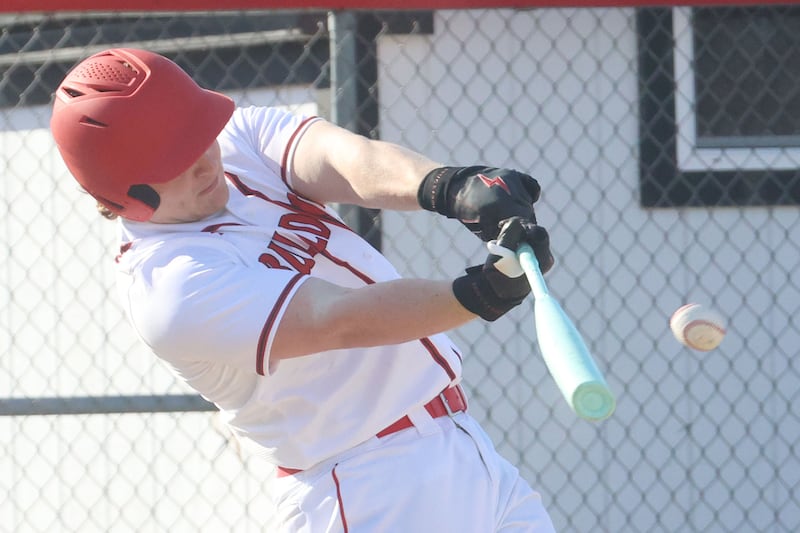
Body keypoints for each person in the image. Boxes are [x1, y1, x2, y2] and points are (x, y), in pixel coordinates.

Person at [50, 48, 557, 532]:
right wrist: (480, 291)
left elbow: (346, 160)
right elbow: (339, 319)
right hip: (369, 484)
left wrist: (452, 186)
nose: (206, 162)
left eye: (198, 136)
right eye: (175, 162)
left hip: (462, 448)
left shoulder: (236, 144)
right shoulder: (170, 285)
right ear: (123, 197)